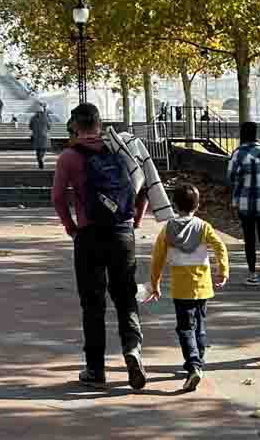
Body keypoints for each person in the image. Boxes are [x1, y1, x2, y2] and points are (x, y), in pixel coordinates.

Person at [50, 102, 148, 391]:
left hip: (89, 235)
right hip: (122, 232)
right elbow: (142, 187)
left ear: (74, 127)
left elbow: (58, 197)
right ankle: (133, 350)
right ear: (99, 124)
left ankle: (95, 369)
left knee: (92, 304)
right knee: (126, 297)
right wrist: (135, 220)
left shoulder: (69, 157)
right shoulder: (120, 149)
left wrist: (71, 227)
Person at [145, 181, 230, 391]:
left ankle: (193, 365)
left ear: (174, 205)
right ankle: (198, 360)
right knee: (199, 325)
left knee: (185, 328)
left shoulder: (168, 230)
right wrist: (222, 271)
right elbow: (220, 247)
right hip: (202, 286)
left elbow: (157, 259)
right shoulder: (204, 227)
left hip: (181, 288)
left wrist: (155, 284)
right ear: (197, 205)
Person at [226, 121, 260, 288]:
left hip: (246, 203)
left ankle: (253, 275)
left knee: (249, 239)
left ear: (242, 134)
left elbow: (230, 176)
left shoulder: (238, 153)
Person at [28, 104, 51, 171]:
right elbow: (49, 127)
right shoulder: (45, 117)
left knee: (38, 150)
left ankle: (39, 160)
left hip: (36, 136)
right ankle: (41, 158)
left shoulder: (33, 118)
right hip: (44, 136)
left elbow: (30, 127)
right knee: (43, 149)